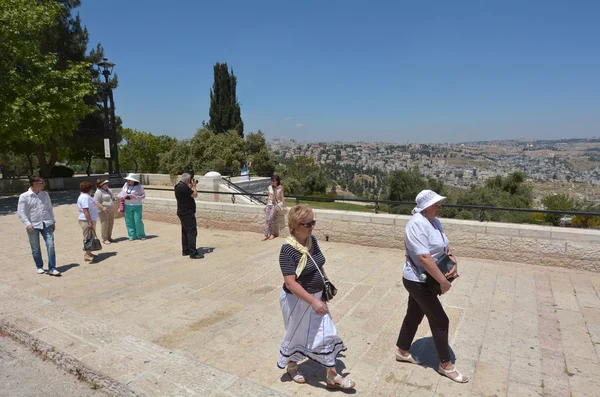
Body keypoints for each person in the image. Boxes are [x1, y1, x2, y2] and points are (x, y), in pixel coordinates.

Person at [277, 204, 355, 390]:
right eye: (308, 224)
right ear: (295, 226)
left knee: (327, 333)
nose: (312, 227)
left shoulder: (312, 241)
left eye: (313, 222)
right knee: (297, 334)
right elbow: (290, 283)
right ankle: (292, 367)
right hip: (298, 301)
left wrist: (326, 283)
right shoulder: (287, 250)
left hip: (318, 297)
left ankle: (332, 375)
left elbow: (319, 264)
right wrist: (312, 301)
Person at [396, 190, 468, 383]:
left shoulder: (434, 222)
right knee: (441, 320)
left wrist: (453, 262)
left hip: (428, 277)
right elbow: (424, 257)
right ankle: (446, 365)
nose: (439, 207)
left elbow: (445, 247)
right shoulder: (416, 225)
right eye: (436, 204)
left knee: (414, 314)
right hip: (418, 280)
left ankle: (402, 351)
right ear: (426, 207)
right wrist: (443, 282)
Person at [17, 176, 61, 276]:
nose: (44, 184)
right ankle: (39, 266)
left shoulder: (45, 194)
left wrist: (53, 221)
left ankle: (52, 268)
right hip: (33, 225)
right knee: (35, 248)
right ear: (34, 183)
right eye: (42, 183)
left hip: (47, 223)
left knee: (50, 245)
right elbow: (20, 212)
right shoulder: (24, 196)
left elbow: (49, 208)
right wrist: (28, 224)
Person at [174, 173, 202, 259]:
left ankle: (186, 250)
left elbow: (185, 193)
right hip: (188, 212)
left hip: (181, 212)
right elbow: (195, 195)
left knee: (185, 232)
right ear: (187, 179)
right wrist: (194, 186)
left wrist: (189, 186)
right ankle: (193, 253)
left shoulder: (178, 186)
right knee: (192, 232)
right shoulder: (184, 187)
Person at [78, 181, 105, 262]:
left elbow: (95, 202)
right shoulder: (85, 197)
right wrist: (89, 222)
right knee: (88, 237)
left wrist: (102, 207)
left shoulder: (87, 196)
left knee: (91, 236)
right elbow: (85, 210)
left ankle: (89, 253)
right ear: (89, 189)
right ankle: (87, 254)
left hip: (90, 219)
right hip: (86, 220)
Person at [117, 173, 146, 241]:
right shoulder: (125, 185)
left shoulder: (139, 187)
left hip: (137, 205)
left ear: (134, 180)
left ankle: (141, 235)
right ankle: (132, 235)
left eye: (130, 180)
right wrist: (121, 196)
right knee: (129, 221)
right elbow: (121, 193)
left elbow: (143, 196)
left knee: (137, 221)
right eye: (128, 180)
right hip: (127, 205)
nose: (128, 181)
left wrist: (135, 197)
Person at [263, 175, 287, 240]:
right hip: (269, 205)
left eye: (274, 181)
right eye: (272, 181)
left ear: (277, 181)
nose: (272, 182)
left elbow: (282, 197)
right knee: (267, 220)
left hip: (275, 205)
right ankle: (266, 234)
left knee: (271, 219)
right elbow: (269, 197)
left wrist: (284, 206)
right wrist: (266, 205)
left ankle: (272, 234)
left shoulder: (280, 188)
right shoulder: (269, 187)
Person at [94, 179, 115, 244]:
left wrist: (114, 199)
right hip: (103, 210)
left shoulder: (109, 190)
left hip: (111, 209)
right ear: (102, 185)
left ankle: (109, 237)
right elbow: (96, 201)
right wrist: (102, 207)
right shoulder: (98, 192)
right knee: (104, 224)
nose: (107, 185)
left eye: (107, 183)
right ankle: (105, 238)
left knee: (111, 223)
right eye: (105, 184)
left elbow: (111, 197)